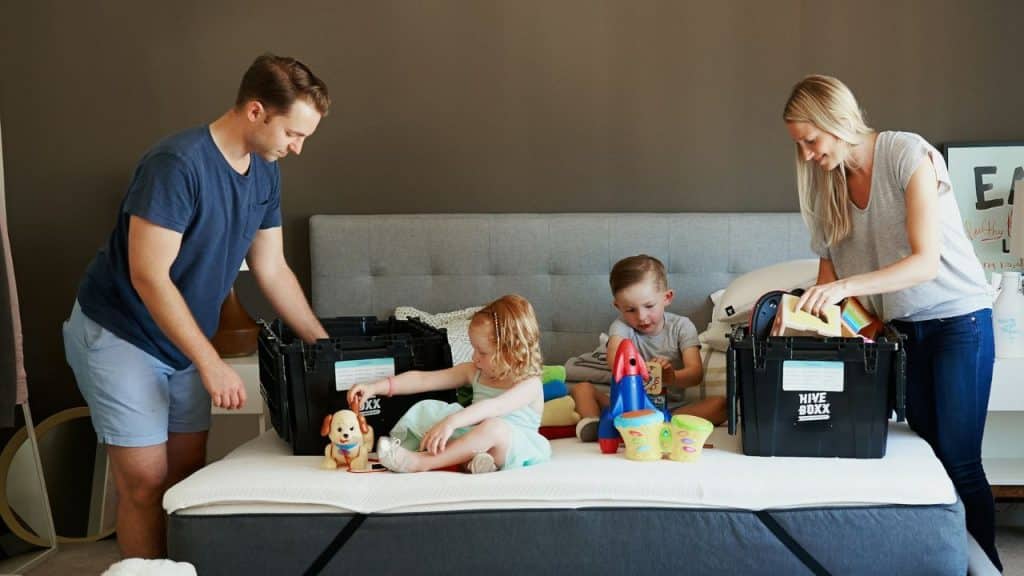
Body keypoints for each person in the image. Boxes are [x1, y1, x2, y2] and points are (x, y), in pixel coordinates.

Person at [62, 54, 331, 558]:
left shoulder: (265, 172)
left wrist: (324, 346)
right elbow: (149, 275)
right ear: (256, 112)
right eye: (293, 134)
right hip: (123, 331)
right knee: (144, 481)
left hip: (181, 335)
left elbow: (271, 268)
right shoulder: (177, 164)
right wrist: (209, 362)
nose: (296, 149)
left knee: (186, 476)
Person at [783, 74, 1001, 570]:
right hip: (903, 334)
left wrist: (843, 288)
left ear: (835, 121)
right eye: (799, 146)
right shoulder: (826, 191)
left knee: (960, 462)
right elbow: (834, 299)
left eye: (811, 141)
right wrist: (807, 319)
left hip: (957, 321)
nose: (808, 155)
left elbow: (925, 262)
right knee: (928, 463)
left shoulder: (906, 154)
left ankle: (988, 565)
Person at [348, 294, 551, 473]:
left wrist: (452, 422)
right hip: (475, 438)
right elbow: (424, 379)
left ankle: (421, 462)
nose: (474, 357)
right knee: (430, 410)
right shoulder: (474, 371)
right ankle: (473, 461)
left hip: (511, 446)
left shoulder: (529, 384)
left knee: (493, 427)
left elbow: (494, 407)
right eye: (473, 349)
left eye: (482, 352)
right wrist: (376, 387)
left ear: (510, 350)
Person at [571, 255, 727, 442]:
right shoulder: (621, 327)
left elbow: (695, 374)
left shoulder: (682, 326)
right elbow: (614, 363)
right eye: (630, 310)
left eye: (649, 306)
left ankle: (658, 427)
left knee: (721, 405)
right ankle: (593, 424)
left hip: (670, 409)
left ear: (667, 297)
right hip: (626, 406)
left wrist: (672, 377)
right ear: (618, 306)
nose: (642, 317)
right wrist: (640, 368)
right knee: (582, 389)